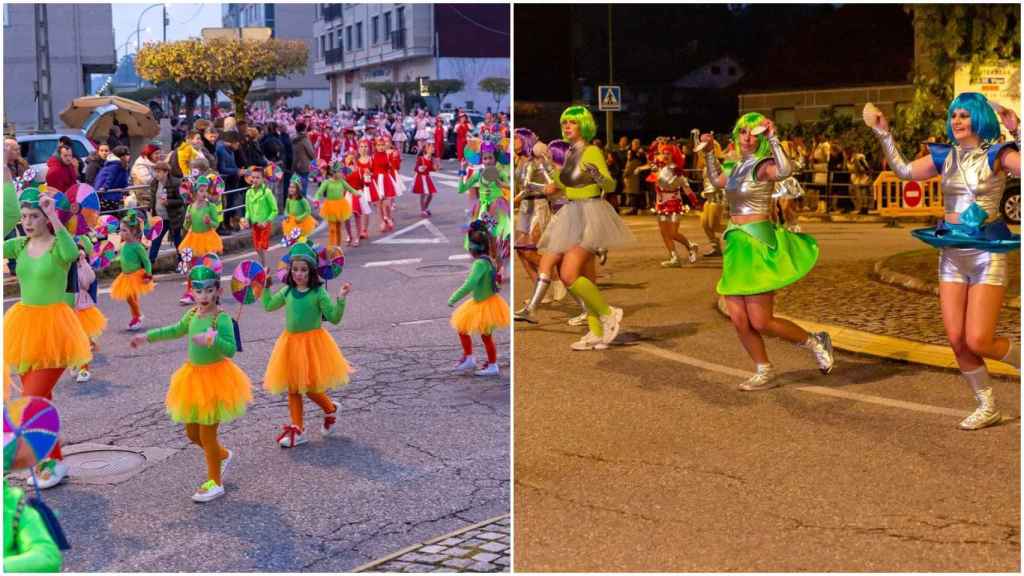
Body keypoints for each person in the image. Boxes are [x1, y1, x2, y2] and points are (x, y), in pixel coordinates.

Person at [868, 93, 1021, 429]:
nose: (957, 121)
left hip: (986, 252)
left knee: (978, 339)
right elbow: (906, 171)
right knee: (956, 339)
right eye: (954, 116)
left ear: (979, 118)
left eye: (964, 115)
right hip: (951, 253)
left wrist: (1019, 132)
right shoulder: (944, 156)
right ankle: (987, 405)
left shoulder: (999, 154)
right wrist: (884, 134)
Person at [701, 113, 834, 391]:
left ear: (760, 138)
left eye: (753, 133)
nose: (747, 138)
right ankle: (764, 369)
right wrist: (709, 151)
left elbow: (785, 172)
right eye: (742, 133)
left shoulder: (764, 165)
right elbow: (717, 181)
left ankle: (814, 341)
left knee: (761, 320)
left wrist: (774, 137)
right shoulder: (736, 166)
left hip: (758, 242)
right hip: (736, 243)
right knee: (739, 319)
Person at [130, 265, 252, 502]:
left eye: (208, 290)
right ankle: (222, 455)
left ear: (218, 291)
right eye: (198, 291)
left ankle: (215, 483)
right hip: (193, 379)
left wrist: (214, 340)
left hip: (216, 380)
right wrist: (147, 337)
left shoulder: (222, 319)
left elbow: (230, 350)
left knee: (207, 435)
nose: (203, 296)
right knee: (192, 434)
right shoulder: (192, 314)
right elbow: (175, 330)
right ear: (192, 292)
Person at [3, 189, 91, 489]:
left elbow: (70, 253)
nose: (28, 222)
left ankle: (50, 458)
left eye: (34, 217)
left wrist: (54, 214)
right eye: (25, 217)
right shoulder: (18, 245)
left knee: (30, 401)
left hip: (55, 330)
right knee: (40, 399)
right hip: (24, 326)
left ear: (45, 218)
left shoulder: (58, 246)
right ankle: (53, 454)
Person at [536, 106, 634, 351]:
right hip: (572, 211)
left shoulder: (592, 151)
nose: (567, 127)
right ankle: (596, 331)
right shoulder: (571, 152)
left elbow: (610, 185)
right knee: (585, 277)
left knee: (568, 273)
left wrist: (598, 176)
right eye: (565, 123)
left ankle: (607, 313)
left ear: (584, 126)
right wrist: (547, 164)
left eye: (573, 123)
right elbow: (565, 185)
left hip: (590, 213)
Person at [260, 242, 352, 448]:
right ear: (290, 270)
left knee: (310, 387)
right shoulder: (287, 292)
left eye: (303, 269)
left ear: (311, 271)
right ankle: (297, 429)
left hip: (313, 344)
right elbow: (268, 306)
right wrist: (265, 287)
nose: (298, 274)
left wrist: (341, 299)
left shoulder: (318, 293)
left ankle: (330, 409)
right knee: (293, 388)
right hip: (290, 344)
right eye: (295, 269)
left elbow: (334, 318)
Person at [449, 221, 509, 377]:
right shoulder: (490, 259)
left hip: (484, 305)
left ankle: (492, 364)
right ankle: (470, 358)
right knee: (463, 329)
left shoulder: (480, 264)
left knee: (485, 336)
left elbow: (470, 284)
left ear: (472, 248)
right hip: (485, 301)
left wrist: (454, 298)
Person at [178, 176, 224, 304]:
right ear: (194, 192)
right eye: (201, 191)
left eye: (205, 191)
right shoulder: (190, 207)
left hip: (207, 239)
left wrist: (210, 222)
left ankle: (214, 292)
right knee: (191, 266)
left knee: (209, 267)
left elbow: (216, 225)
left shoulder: (210, 207)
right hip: (193, 238)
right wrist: (187, 220)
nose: (204, 194)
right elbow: (186, 227)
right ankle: (190, 292)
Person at [110, 210, 155, 331]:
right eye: (120, 230)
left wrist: (148, 274)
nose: (121, 233)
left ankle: (138, 316)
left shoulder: (138, 246)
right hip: (125, 276)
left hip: (135, 275)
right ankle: (136, 316)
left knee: (130, 297)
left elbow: (146, 261)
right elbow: (122, 255)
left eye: (124, 230)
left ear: (134, 231)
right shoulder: (124, 244)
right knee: (131, 298)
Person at [72, 237, 105, 383]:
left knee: (82, 339)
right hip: (66, 309)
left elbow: (88, 281)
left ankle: (84, 369)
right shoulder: (60, 268)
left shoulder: (81, 267)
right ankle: (75, 362)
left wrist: (82, 262)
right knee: (71, 339)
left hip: (82, 307)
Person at [145, 162, 185, 265]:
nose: (156, 174)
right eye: (155, 172)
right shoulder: (154, 183)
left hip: (173, 217)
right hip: (160, 218)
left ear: (166, 172)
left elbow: (182, 200)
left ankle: (182, 262)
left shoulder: (176, 183)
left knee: (178, 240)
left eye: (159, 172)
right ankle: (150, 264)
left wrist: (168, 202)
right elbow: (153, 198)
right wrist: (151, 209)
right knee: (156, 240)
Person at [242, 166, 278, 270]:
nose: (255, 180)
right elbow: (248, 209)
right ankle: (263, 266)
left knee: (261, 246)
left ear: (263, 179)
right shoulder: (248, 193)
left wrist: (267, 221)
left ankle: (263, 266)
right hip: (255, 224)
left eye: (258, 177)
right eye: (253, 177)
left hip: (265, 224)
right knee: (257, 247)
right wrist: (246, 220)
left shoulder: (267, 192)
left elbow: (274, 210)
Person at [315, 163, 356, 249]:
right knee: (332, 228)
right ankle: (332, 246)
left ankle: (338, 246)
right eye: (339, 172)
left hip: (341, 206)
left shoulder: (341, 181)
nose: (341, 174)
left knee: (338, 227)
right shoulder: (327, 182)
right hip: (330, 206)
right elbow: (319, 192)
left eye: (341, 172)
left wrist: (357, 193)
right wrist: (316, 199)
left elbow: (350, 188)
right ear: (333, 172)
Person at [94, 145, 130, 211]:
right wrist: (105, 187)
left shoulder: (122, 165)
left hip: (115, 196)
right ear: (121, 156)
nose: (128, 157)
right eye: (126, 155)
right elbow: (110, 178)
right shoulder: (115, 165)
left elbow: (124, 182)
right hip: (107, 197)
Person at [282, 176, 317, 243]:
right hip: (292, 222)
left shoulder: (302, 200)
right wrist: (286, 215)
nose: (291, 189)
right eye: (290, 187)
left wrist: (300, 217)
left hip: (302, 222)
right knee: (292, 240)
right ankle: (295, 252)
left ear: (298, 189)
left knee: (302, 240)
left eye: (293, 187)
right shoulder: (288, 200)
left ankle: (305, 250)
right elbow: (286, 209)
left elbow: (308, 211)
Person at [413, 141, 439, 217]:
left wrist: (435, 168)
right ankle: (422, 210)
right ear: (426, 149)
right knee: (423, 194)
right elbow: (416, 168)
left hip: (427, 177)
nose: (433, 149)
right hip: (420, 177)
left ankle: (425, 207)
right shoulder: (421, 158)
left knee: (430, 194)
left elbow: (431, 169)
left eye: (433, 147)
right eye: (431, 147)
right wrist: (420, 168)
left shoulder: (431, 159)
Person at [291, 122, 315, 196]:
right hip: (304, 165)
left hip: (295, 164)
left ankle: (296, 201)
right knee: (303, 186)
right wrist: (313, 159)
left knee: (296, 184)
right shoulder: (304, 139)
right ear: (304, 129)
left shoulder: (293, 139)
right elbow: (311, 153)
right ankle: (302, 203)